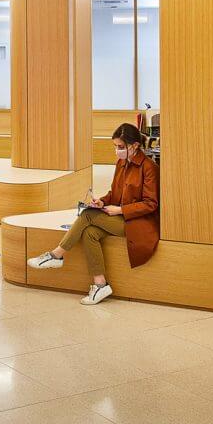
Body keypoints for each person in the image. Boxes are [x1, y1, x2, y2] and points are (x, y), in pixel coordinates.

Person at [27, 122, 159, 305]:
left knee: (87, 215)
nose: (117, 151)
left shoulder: (149, 167)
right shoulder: (121, 163)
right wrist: (103, 201)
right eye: (115, 147)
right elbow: (114, 193)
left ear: (134, 145)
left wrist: (120, 210)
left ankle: (56, 255)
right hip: (121, 218)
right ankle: (100, 284)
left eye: (121, 147)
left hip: (138, 224)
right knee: (89, 233)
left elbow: (151, 204)